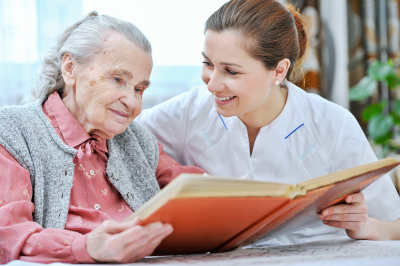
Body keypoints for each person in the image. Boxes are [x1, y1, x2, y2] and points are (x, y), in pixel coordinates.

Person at [137, 0, 400, 245]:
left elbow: (394, 224)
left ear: (279, 70)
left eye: (231, 71)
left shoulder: (333, 124)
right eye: (207, 63)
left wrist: (366, 228)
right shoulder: (187, 113)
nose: (212, 83)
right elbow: (119, 137)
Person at [0, 12, 205, 264]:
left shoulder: (137, 140)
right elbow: (7, 235)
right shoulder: (11, 131)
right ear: (70, 68)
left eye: (139, 89)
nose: (132, 101)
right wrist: (89, 247)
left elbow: (195, 191)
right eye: (118, 79)